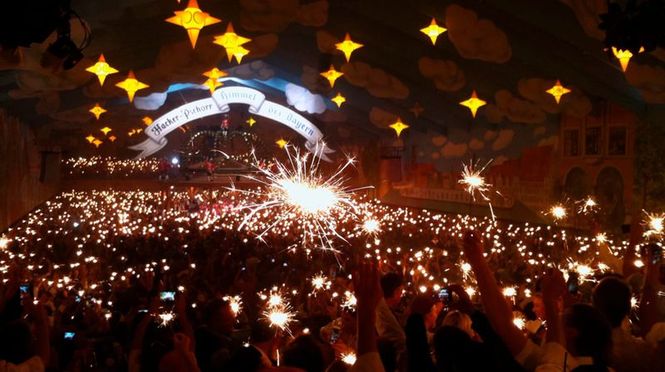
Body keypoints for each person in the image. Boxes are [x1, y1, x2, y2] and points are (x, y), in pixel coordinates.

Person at [375, 272, 406, 367]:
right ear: (396, 291)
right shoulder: (382, 312)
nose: (402, 295)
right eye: (401, 292)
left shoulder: (383, 310)